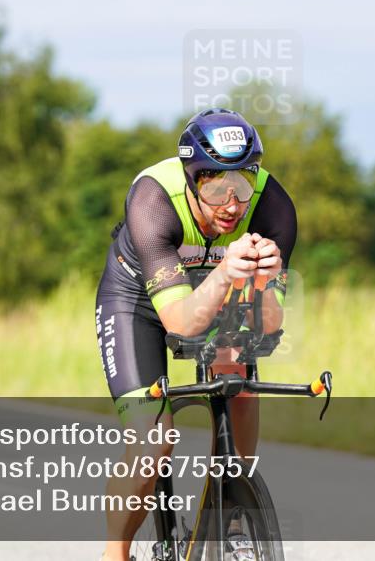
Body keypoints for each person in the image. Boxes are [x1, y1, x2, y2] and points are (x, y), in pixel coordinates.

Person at [95, 108, 297, 561]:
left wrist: (266, 280)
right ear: (191, 179)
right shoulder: (153, 200)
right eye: (215, 188)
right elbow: (181, 323)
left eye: (242, 184)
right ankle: (115, 553)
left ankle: (234, 517)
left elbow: (268, 325)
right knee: (152, 442)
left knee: (238, 381)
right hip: (138, 301)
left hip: (219, 288)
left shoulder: (274, 207)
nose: (232, 204)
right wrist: (226, 271)